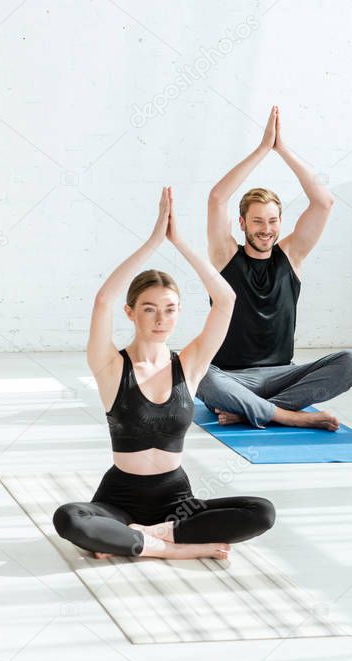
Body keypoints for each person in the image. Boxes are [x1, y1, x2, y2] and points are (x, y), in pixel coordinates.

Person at [53, 187, 275, 560]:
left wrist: (181, 242)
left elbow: (226, 300)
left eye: (170, 309)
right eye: (150, 309)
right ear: (131, 313)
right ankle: (169, 550)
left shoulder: (188, 364)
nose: (161, 319)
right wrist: (154, 240)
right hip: (119, 499)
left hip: (177, 503)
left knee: (261, 512)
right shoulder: (111, 366)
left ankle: (145, 537)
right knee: (69, 519)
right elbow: (103, 300)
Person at [197, 105, 352, 430]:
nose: (266, 229)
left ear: (280, 222)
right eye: (257, 221)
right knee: (198, 374)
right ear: (242, 223)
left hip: (281, 375)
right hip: (229, 377)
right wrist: (263, 149)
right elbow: (217, 198)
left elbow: (324, 202)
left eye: (272, 221)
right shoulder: (224, 255)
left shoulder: (293, 255)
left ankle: (257, 411)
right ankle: (286, 415)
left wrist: (282, 149)